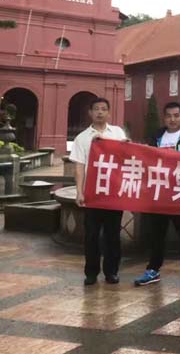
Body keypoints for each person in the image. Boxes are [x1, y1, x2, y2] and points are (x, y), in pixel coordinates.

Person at [135, 101, 180, 287]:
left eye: (176, 115)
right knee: (157, 234)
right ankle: (153, 269)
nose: (172, 119)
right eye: (168, 116)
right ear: (164, 118)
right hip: (160, 193)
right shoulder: (157, 136)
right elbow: (146, 158)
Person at [70, 97, 128, 286]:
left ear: (109, 113)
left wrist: (127, 145)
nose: (100, 112)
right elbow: (79, 166)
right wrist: (79, 191)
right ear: (90, 113)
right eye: (96, 109)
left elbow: (127, 157)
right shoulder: (82, 138)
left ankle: (111, 272)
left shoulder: (117, 133)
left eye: (104, 109)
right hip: (92, 194)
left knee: (113, 235)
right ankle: (91, 272)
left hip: (113, 194)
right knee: (91, 236)